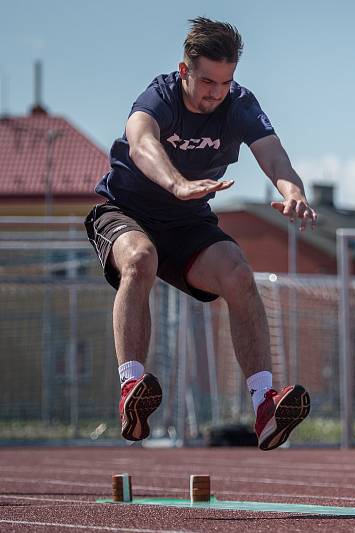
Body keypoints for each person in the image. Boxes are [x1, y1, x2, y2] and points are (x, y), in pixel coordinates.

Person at [84, 17, 315, 450]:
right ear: (185, 70)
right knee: (140, 259)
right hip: (127, 210)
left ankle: (264, 405)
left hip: (187, 221)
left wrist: (293, 190)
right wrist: (177, 184)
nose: (215, 93)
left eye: (225, 83)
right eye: (207, 82)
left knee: (239, 275)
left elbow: (274, 154)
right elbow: (141, 142)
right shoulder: (161, 95)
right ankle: (131, 388)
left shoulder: (240, 105)